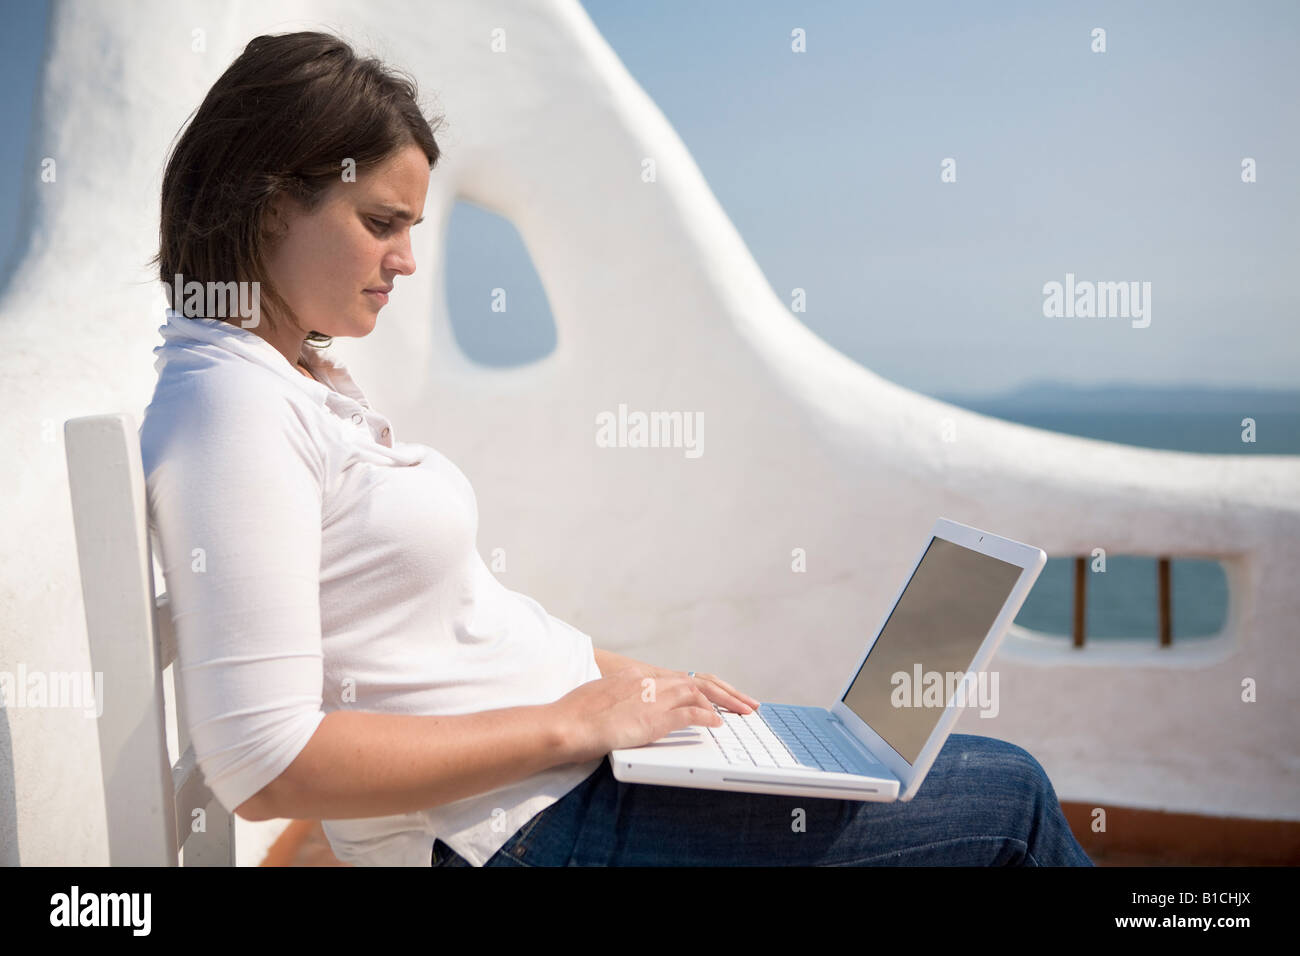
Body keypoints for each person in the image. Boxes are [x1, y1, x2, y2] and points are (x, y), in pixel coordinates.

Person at [140, 30, 1094, 868]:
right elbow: (263, 762)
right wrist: (579, 720)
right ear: (269, 206)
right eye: (380, 224)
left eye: (411, 228)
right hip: (514, 832)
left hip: (561, 784)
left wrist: (624, 679)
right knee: (1005, 796)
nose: (408, 262)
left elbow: (448, 627)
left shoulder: (294, 382)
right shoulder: (232, 406)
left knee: (943, 778)